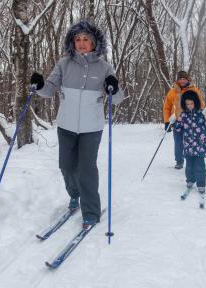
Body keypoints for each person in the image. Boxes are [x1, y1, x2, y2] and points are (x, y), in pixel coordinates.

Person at [30, 20, 124, 228]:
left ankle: (90, 210)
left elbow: (116, 99)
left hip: (92, 128)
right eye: (78, 39)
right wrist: (39, 84)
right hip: (66, 125)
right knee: (66, 165)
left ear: (94, 43)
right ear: (72, 42)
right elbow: (48, 90)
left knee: (86, 168)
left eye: (86, 39)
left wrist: (114, 87)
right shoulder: (64, 64)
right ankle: (75, 194)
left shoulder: (104, 67)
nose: (81, 43)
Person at [174, 90, 206, 208]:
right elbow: (178, 128)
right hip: (188, 146)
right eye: (187, 104)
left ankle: (201, 184)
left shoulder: (201, 114)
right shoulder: (183, 115)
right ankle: (190, 181)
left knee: (200, 166)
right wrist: (173, 121)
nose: (189, 106)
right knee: (189, 166)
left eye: (191, 103)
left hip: (200, 145)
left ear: (195, 102)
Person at [163, 71, 204, 169]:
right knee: (178, 142)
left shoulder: (194, 90)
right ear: (177, 80)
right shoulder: (172, 91)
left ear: (187, 79)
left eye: (184, 78)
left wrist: (201, 116)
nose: (182, 80)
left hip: (191, 121)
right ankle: (179, 161)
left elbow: (201, 104)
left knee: (191, 142)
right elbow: (167, 107)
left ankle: (192, 161)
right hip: (177, 121)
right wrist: (166, 121)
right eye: (180, 78)